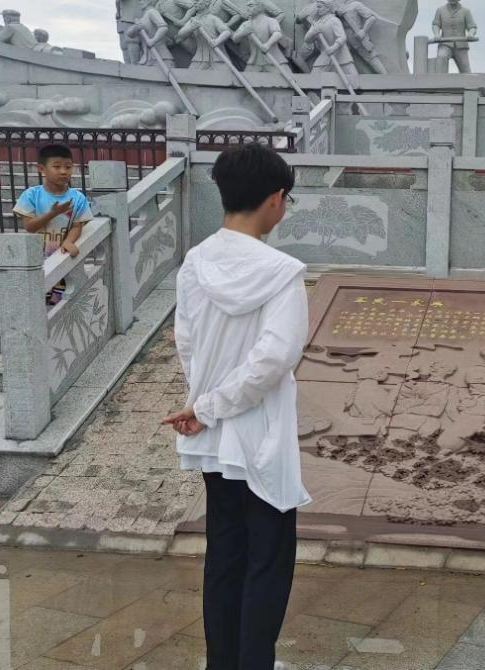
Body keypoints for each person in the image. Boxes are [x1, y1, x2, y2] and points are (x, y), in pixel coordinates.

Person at [162, 143, 311, 670]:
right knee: (268, 560)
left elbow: (187, 345)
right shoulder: (283, 272)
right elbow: (275, 358)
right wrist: (214, 406)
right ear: (275, 198)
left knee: (225, 553)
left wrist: (204, 405)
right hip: (260, 436)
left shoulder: (196, 262)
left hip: (215, 438)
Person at [13, 144, 92, 260]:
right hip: (36, 258)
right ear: (42, 169)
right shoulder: (31, 195)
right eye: (57, 166)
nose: (63, 171)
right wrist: (53, 213)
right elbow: (30, 227)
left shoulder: (78, 198)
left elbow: (77, 226)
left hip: (63, 257)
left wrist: (68, 241)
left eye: (68, 167)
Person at [431, 0, 477, 73]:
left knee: (466, 69)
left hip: (461, 45)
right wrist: (437, 34)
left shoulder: (466, 11)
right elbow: (436, 24)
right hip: (445, 44)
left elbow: (472, 27)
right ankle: (441, 79)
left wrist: (471, 34)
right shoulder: (440, 10)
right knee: (441, 57)